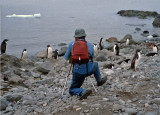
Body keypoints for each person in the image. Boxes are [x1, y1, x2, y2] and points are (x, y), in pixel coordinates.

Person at [64, 28, 107, 100]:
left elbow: (66, 57)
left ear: (76, 37)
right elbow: (92, 57)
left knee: (72, 89)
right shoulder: (90, 45)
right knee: (95, 64)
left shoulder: (71, 44)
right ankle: (99, 81)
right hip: (89, 70)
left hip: (78, 72)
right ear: (85, 36)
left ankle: (83, 91)